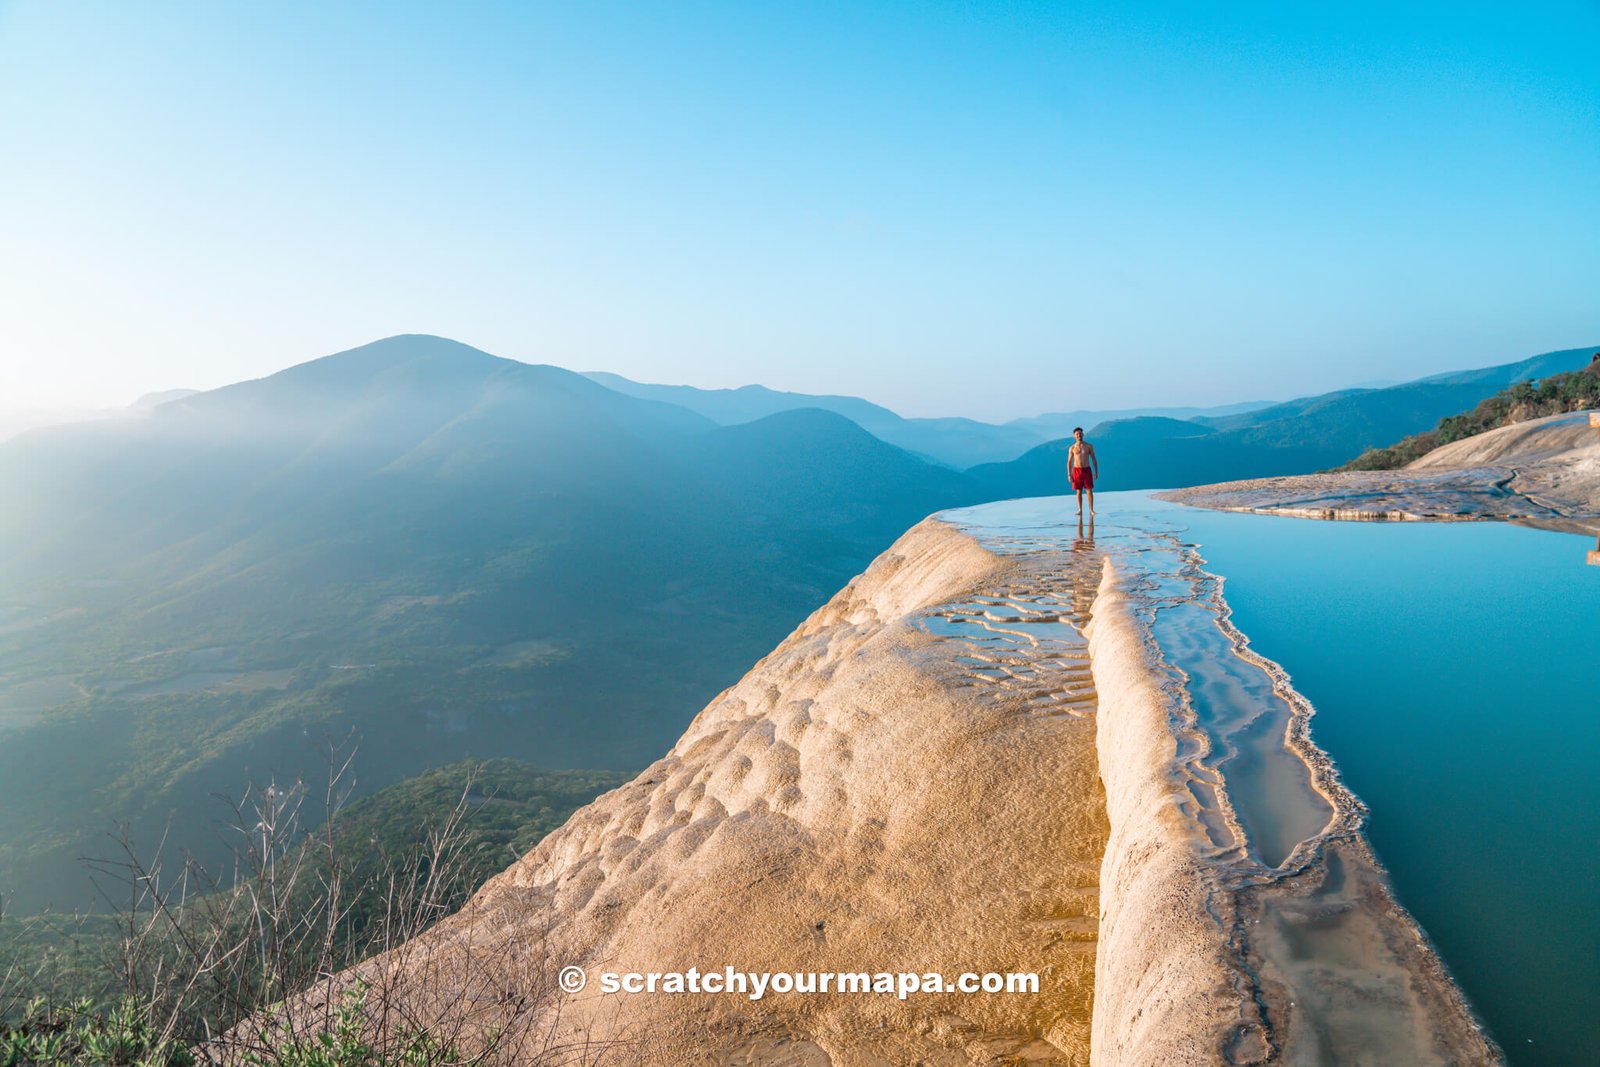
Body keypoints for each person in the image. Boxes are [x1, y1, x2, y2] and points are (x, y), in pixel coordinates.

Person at [1067, 426, 1098, 515]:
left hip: (1086, 469)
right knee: (1078, 491)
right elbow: (1069, 462)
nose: (1079, 435)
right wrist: (1069, 474)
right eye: (1077, 434)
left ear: (1083, 434)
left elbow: (1094, 459)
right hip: (1076, 470)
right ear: (1074, 436)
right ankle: (1080, 510)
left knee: (1089, 490)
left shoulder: (1088, 446)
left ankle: (1091, 510)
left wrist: (1096, 472)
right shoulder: (1072, 448)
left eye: (1080, 433)